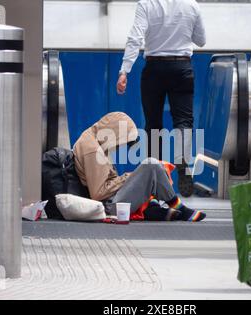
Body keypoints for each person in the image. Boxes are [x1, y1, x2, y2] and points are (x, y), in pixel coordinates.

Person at [116, 0, 206, 197]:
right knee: (183, 120)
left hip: (154, 68)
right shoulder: (191, 5)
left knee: (154, 124)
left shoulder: (146, 4)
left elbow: (135, 37)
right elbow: (201, 40)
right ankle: (182, 162)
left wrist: (124, 71)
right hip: (182, 67)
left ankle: (155, 176)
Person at [73, 112, 206, 222]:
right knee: (150, 165)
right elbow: (98, 193)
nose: (120, 146)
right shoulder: (92, 150)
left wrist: (131, 179)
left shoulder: (97, 141)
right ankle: (175, 207)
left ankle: (154, 210)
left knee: (154, 167)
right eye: (123, 141)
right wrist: (128, 177)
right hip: (110, 207)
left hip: (113, 200)